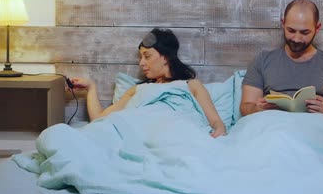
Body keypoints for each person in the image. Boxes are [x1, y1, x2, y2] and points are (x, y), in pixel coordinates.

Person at [71, 28, 227, 138]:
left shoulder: (191, 85)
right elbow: (100, 120)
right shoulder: (138, 90)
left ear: (165, 57)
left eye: (147, 56)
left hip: (179, 134)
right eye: (140, 57)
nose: (141, 63)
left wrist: (219, 130)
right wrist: (91, 88)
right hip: (141, 134)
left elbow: (216, 122)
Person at [239, 0, 323, 124]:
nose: (297, 39)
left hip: (315, 130)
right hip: (273, 129)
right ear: (283, 24)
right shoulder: (262, 61)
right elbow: (245, 107)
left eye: (305, 32)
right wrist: (258, 109)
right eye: (291, 30)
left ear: (317, 28)